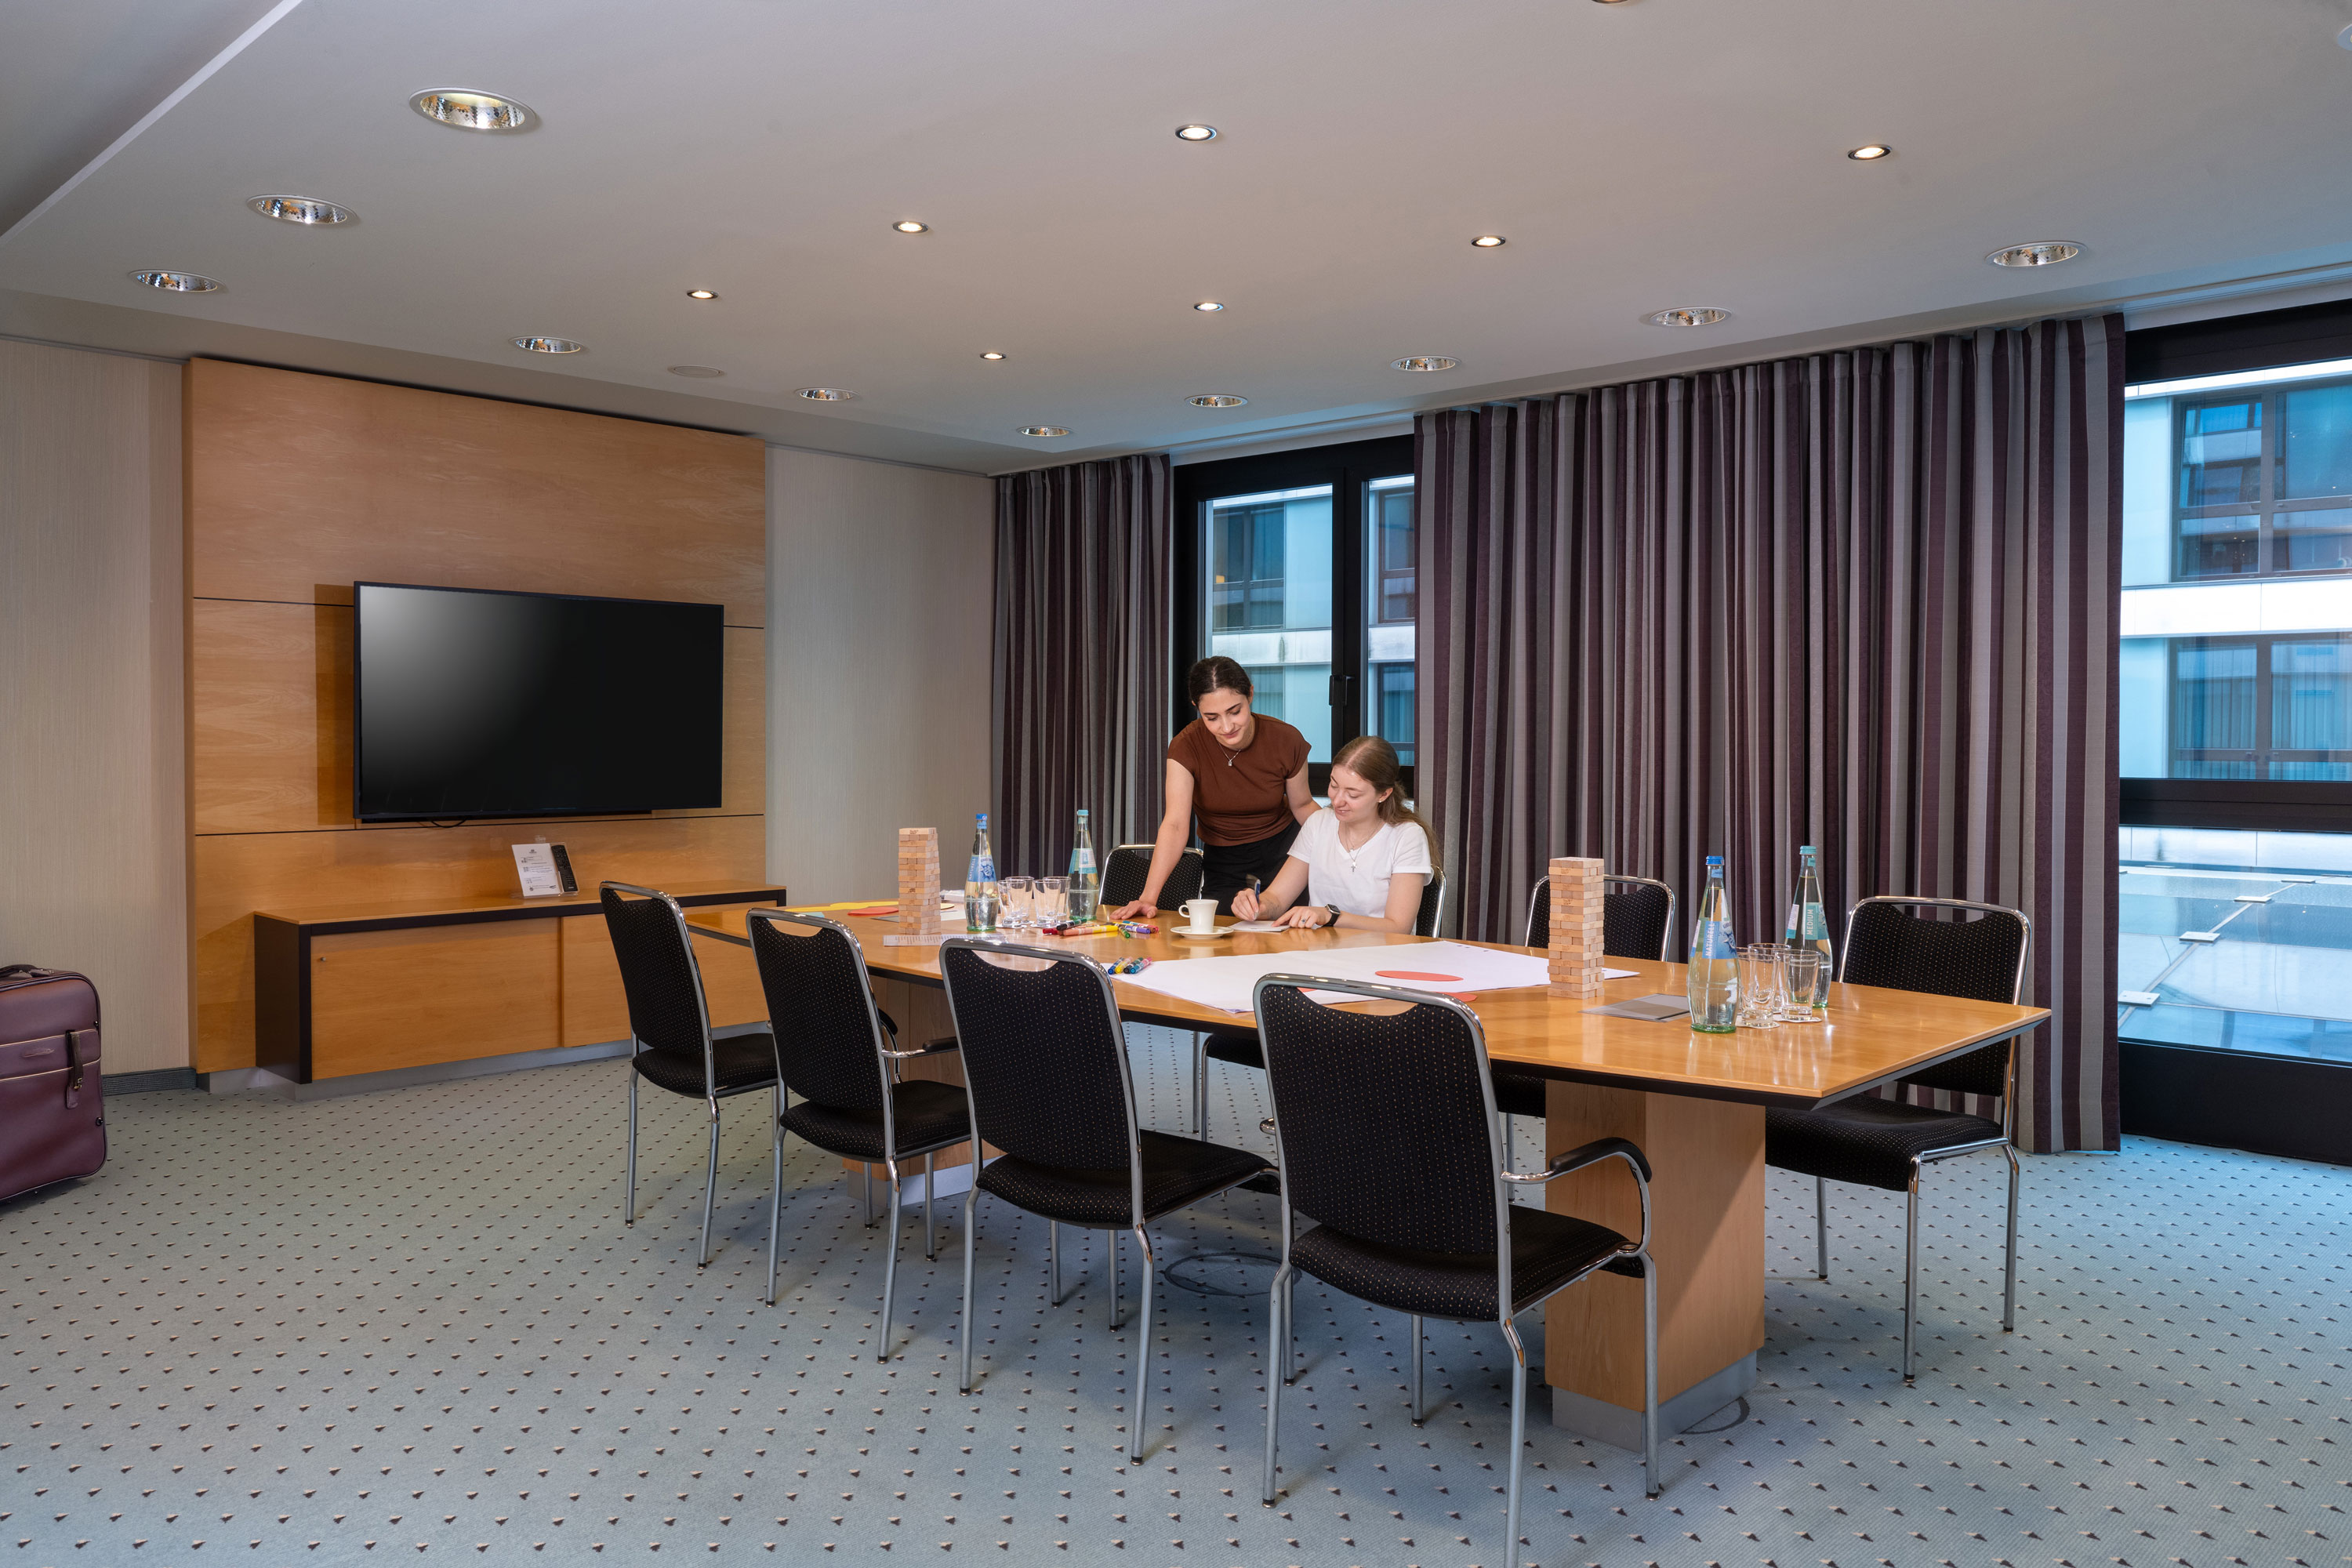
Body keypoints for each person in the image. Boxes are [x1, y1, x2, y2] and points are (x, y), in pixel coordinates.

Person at [1107, 656, 1315, 919]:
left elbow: (1303, 805)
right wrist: (1148, 897)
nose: (1226, 727)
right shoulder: (1186, 746)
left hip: (1285, 853)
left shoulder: (1286, 739)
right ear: (1197, 707)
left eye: (1235, 711)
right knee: (1225, 937)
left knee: (1291, 934)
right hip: (1225, 860)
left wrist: (1347, 839)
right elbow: (1175, 824)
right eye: (1212, 718)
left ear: (1250, 694)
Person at [1232, 734, 1437, 933]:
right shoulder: (1319, 823)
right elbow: (1277, 899)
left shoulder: (1407, 836)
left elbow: (1398, 927)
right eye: (1334, 785)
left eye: (1353, 794)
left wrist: (1330, 916)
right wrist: (1257, 906)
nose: (1337, 801)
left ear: (1383, 794)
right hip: (1316, 953)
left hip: (1380, 956)